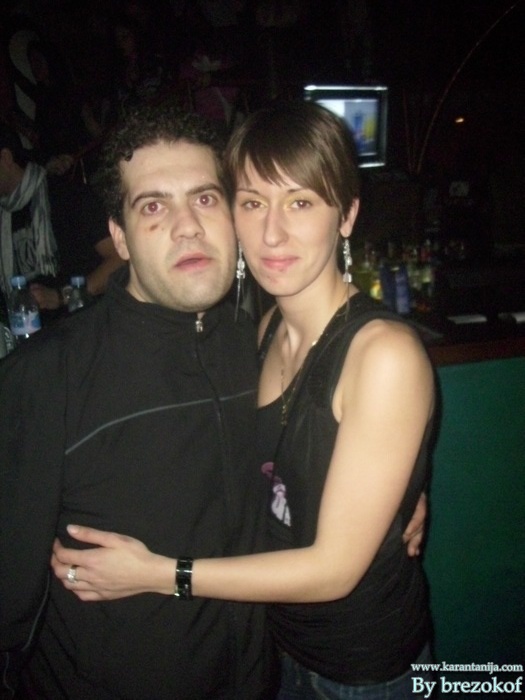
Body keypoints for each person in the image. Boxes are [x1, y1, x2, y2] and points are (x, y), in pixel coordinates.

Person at [51, 101, 435, 699]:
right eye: (253, 203)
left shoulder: (384, 354)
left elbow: (335, 570)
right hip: (277, 650)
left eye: (300, 203)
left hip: (364, 671)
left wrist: (160, 574)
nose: (271, 233)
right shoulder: (260, 331)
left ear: (347, 215)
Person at [0, 100, 276, 699]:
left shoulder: (264, 347)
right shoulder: (48, 377)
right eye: (154, 206)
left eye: (205, 198)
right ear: (120, 239)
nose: (187, 226)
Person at [0, 124, 122, 321]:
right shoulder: (4, 217)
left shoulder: (67, 196)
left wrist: (62, 296)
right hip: (32, 334)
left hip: (89, 324)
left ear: (5, 158)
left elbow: (120, 259)